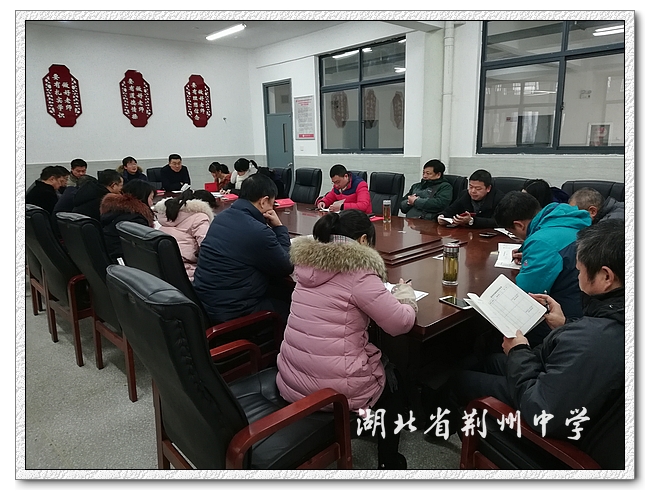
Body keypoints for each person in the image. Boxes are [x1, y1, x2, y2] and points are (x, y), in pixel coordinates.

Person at [447, 219, 624, 468]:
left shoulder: (594, 339)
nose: (577, 276)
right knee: (492, 361)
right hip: (573, 394)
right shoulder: (613, 320)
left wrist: (519, 350)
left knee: (459, 381)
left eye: (580, 270)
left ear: (606, 276)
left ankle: (457, 441)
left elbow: (542, 412)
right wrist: (565, 325)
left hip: (559, 438)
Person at [275, 209, 417, 469]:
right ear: (363, 240)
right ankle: (388, 462)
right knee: (393, 381)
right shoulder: (358, 272)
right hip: (333, 390)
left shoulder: (306, 264)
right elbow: (400, 324)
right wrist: (406, 295)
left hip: (291, 377)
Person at [493, 191, 591, 346]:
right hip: (589, 309)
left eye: (513, 233)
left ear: (519, 225)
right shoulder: (568, 219)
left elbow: (526, 293)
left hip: (565, 319)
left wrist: (536, 252)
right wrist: (530, 254)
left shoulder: (542, 242)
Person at [193, 174, 293, 324]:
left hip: (207, 305)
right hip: (234, 312)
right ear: (264, 201)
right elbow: (286, 266)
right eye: (272, 203)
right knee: (293, 307)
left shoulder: (221, 218)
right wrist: (279, 228)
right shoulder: (257, 231)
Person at [153, 189, 214, 281]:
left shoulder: (168, 214)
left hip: (164, 267)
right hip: (187, 272)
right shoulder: (200, 217)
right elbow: (206, 247)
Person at [100, 179, 155, 263]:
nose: (152, 203)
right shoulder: (136, 219)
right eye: (151, 198)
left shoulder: (116, 210)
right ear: (143, 197)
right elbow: (144, 249)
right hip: (123, 260)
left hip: (109, 256)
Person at [438, 169, 504, 228]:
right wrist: (442, 216)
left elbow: (498, 222)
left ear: (488, 188)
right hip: (466, 233)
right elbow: (451, 209)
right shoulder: (464, 194)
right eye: (471, 187)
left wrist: (472, 221)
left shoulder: (499, 198)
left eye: (478, 188)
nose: (473, 191)